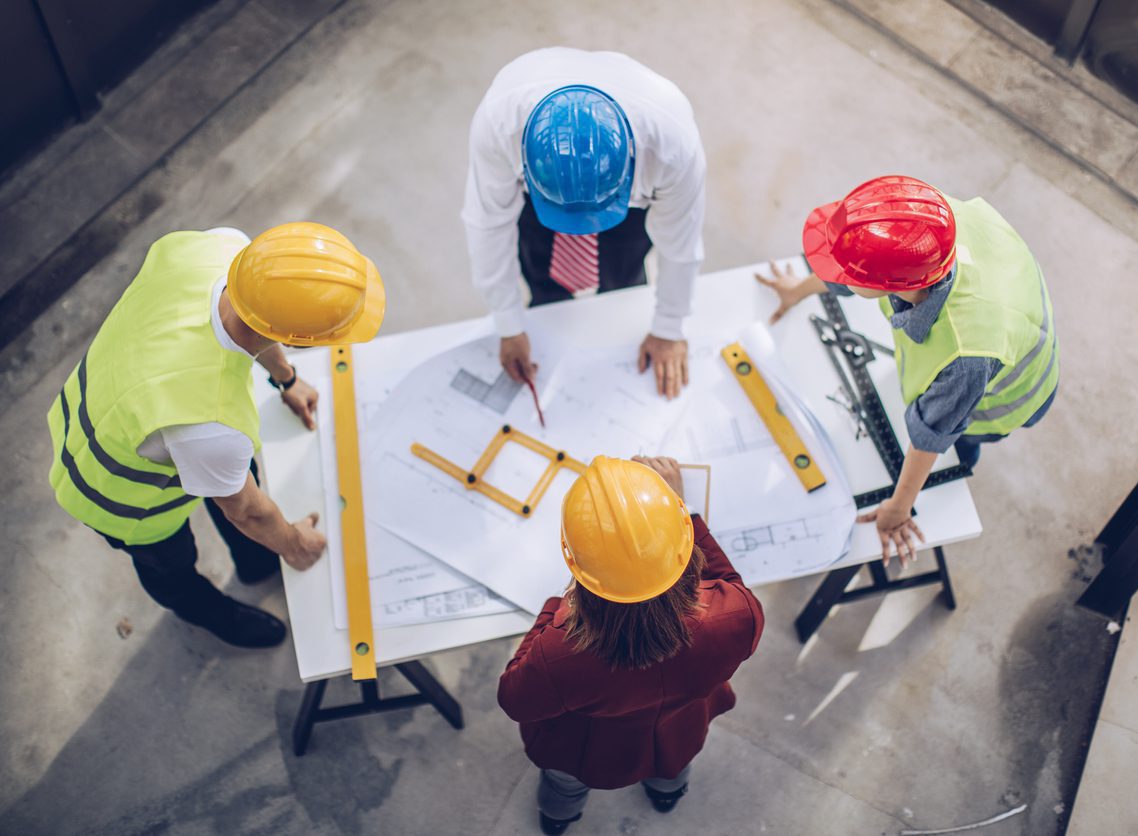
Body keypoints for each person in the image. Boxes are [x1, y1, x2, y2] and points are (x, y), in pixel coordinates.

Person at [47, 222, 385, 648]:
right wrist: (295, 545)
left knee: (231, 476)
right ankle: (216, 614)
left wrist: (286, 379)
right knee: (171, 568)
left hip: (121, 401)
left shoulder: (222, 248)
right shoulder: (212, 426)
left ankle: (256, 561)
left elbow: (258, 323)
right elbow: (247, 511)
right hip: (116, 491)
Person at [758, 175, 1058, 565]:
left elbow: (934, 432)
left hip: (1007, 395)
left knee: (956, 451)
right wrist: (797, 290)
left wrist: (898, 510)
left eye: (849, 272)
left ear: (891, 285)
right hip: (1003, 319)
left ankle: (962, 464)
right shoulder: (922, 231)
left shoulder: (966, 355)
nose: (841, 273)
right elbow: (855, 276)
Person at [498, 455, 763, 834]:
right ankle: (667, 794)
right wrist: (684, 513)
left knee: (564, 785)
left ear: (579, 569)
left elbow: (514, 698)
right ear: (682, 547)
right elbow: (727, 578)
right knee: (672, 766)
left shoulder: (559, 652)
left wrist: (554, 609)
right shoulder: (736, 615)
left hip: (585, 752)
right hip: (678, 731)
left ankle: (559, 818)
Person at [462, 47, 706, 400]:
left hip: (628, 218)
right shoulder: (500, 122)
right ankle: (547, 297)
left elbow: (680, 242)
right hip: (539, 207)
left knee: (623, 278)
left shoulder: (673, 147)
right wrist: (508, 322)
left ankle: (618, 287)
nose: (582, 229)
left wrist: (669, 328)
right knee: (540, 269)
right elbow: (488, 223)